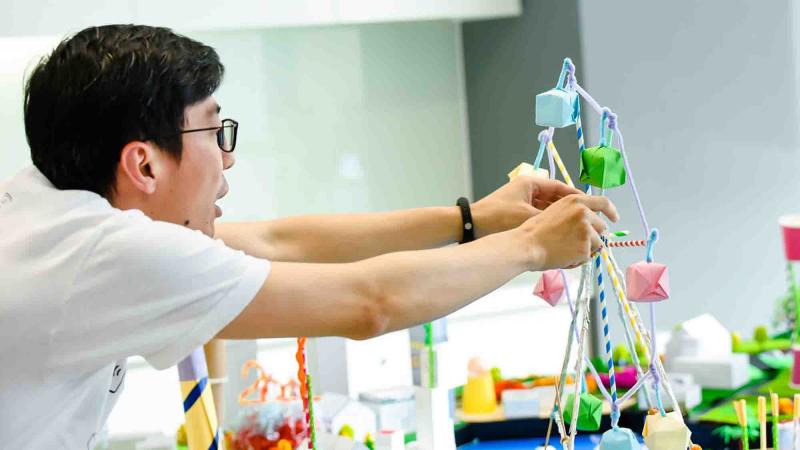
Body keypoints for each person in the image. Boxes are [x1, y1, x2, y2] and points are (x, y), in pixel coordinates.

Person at [0, 24, 617, 448]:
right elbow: (369, 304)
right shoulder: (109, 254)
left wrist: (471, 218)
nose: (227, 157)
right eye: (214, 132)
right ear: (143, 164)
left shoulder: (46, 207)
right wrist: (532, 247)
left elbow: (278, 241)